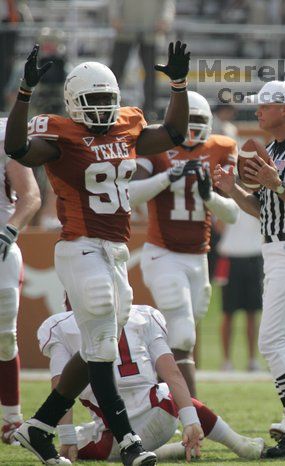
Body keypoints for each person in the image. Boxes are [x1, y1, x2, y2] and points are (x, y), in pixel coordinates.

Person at [4, 41, 191, 465]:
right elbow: (16, 149)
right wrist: (24, 94)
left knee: (95, 348)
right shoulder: (62, 136)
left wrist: (178, 86)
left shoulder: (128, 125)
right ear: (73, 102)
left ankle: (37, 428)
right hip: (79, 247)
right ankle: (129, 442)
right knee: (104, 339)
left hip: (117, 250)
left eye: (109, 99)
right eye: (94, 100)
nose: (104, 108)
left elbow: (174, 134)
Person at [213, 80, 285, 459]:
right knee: (280, 341)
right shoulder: (273, 149)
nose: (257, 111)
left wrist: (275, 186)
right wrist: (233, 190)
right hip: (275, 248)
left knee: (272, 342)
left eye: (265, 105)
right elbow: (263, 210)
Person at [38, 304, 264, 462]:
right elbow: (173, 373)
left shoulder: (61, 325)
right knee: (166, 392)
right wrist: (190, 420)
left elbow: (61, 387)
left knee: (78, 440)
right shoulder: (144, 315)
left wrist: (67, 437)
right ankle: (238, 443)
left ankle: (151, 450)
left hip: (115, 438)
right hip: (162, 416)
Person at [128, 91, 240, 397]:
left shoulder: (221, 147)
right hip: (163, 252)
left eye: (199, 123)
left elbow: (231, 214)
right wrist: (168, 177)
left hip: (198, 256)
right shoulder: (157, 148)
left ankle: (154, 392)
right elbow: (130, 194)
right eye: (187, 123)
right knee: (183, 333)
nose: (192, 130)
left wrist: (208, 196)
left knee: (179, 335)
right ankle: (191, 412)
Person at [0, 117, 41, 444]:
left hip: (0, 253)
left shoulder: (4, 134)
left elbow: (30, 196)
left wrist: (8, 230)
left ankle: (12, 419)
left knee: (4, 339)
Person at [109, 0, 175, 118]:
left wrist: (164, 20)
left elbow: (168, 4)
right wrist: (115, 18)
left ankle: (150, 109)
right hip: (125, 30)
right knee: (116, 71)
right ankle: (108, 103)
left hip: (151, 32)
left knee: (151, 73)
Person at [216, 210, 263, 372]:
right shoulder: (225, 201)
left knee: (252, 312)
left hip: (254, 258)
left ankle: (252, 360)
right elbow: (219, 226)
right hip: (229, 259)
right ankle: (226, 361)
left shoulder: (258, 199)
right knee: (228, 312)